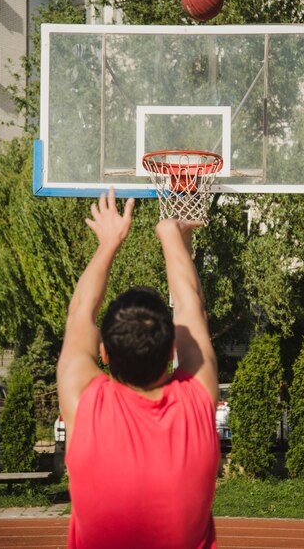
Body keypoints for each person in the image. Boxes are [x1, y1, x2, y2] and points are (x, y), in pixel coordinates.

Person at [57, 189, 220, 549]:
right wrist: (170, 233)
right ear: (172, 350)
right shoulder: (196, 401)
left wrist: (108, 243)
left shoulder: (84, 404)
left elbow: (80, 312)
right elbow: (191, 308)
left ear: (104, 353)